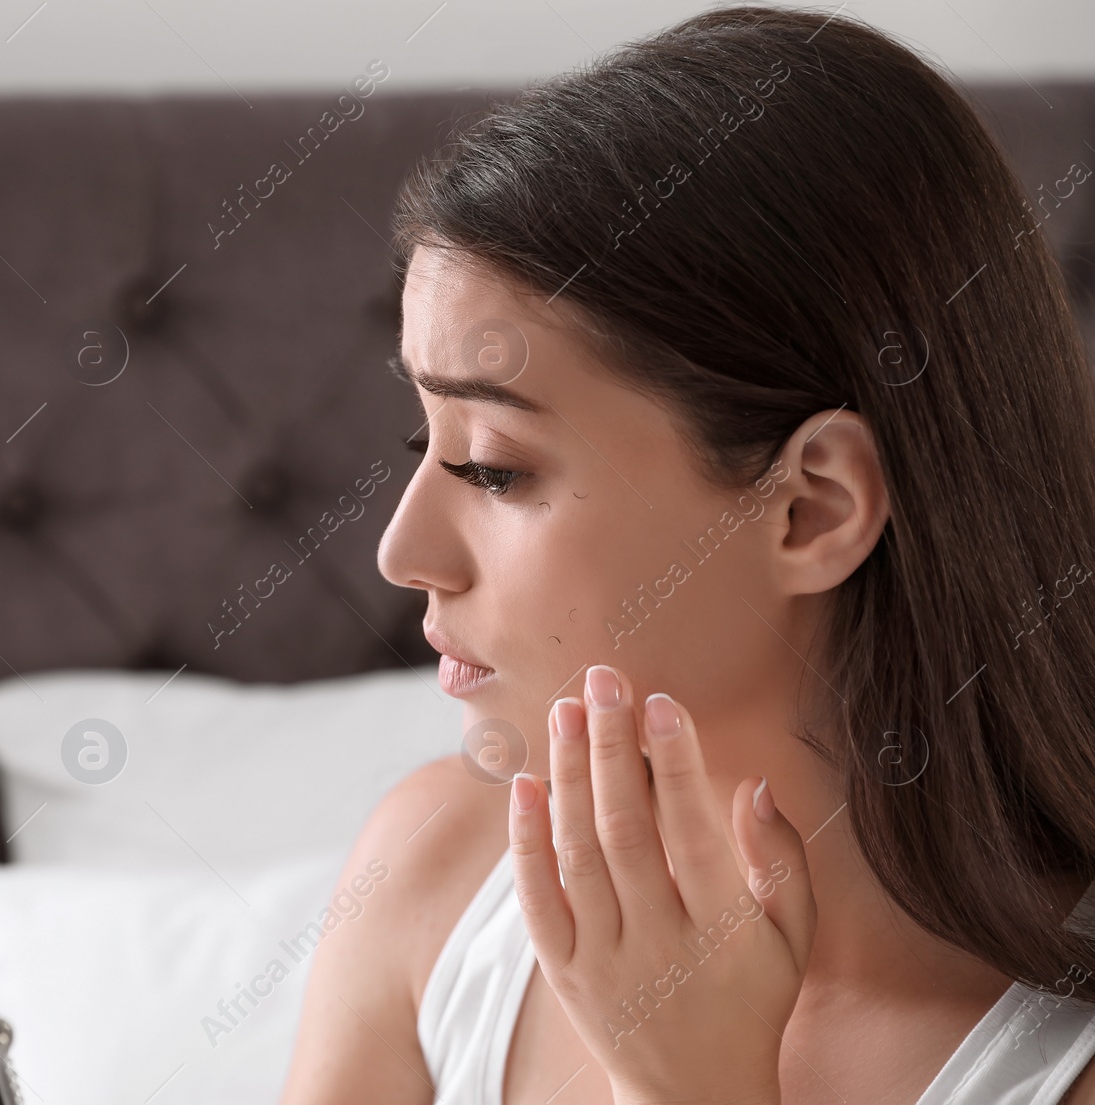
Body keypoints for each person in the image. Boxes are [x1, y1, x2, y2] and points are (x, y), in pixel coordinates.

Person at [278, 5, 1095, 1103]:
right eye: (425, 441)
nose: (400, 551)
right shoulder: (431, 870)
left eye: (493, 467)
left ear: (810, 509)